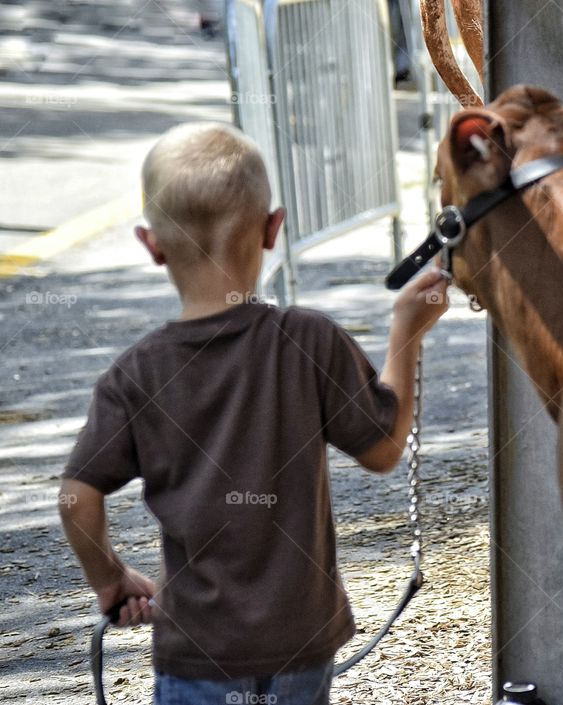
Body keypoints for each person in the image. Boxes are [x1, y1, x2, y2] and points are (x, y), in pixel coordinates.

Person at [58, 122, 447, 705]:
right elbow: (383, 448)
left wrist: (110, 579)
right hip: (299, 646)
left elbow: (76, 497)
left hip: (196, 652)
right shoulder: (307, 340)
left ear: (151, 244)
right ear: (272, 230)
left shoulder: (135, 374)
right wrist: (406, 332)